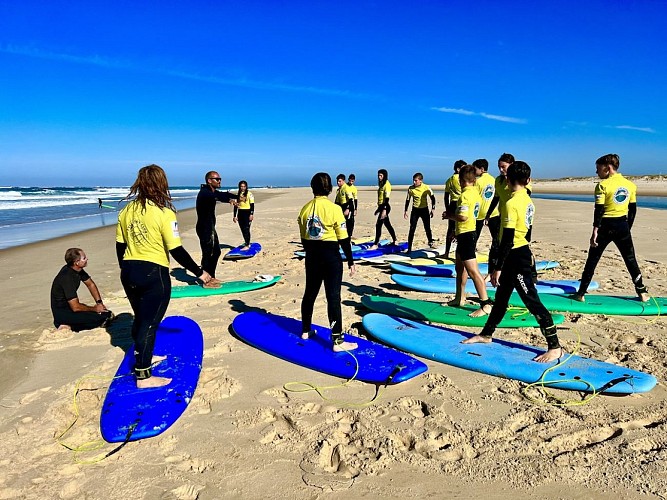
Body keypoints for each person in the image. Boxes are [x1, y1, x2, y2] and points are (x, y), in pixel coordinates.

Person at [117, 164, 213, 389]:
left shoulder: (125, 211)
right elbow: (176, 250)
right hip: (154, 273)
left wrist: (126, 269)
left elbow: (120, 247)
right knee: (149, 324)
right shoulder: (164, 212)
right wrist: (200, 272)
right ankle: (143, 376)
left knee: (140, 318)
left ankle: (145, 358)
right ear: (162, 183)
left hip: (129, 270)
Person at [463, 161, 562, 363]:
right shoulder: (527, 200)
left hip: (515, 257)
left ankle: (555, 347)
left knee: (531, 301)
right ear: (528, 180)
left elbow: (507, 238)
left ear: (508, 179)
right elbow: (527, 232)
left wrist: (497, 267)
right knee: (501, 299)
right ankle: (486, 334)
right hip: (519, 252)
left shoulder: (511, 203)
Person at [572, 154, 649, 302]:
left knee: (593, 259)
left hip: (605, 227)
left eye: (598, 168)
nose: (596, 172)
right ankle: (642, 292)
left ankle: (581, 293)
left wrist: (595, 230)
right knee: (630, 259)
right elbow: (632, 210)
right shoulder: (630, 185)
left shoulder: (602, 186)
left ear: (607, 168)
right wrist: (627, 228)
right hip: (622, 225)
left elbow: (599, 210)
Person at [297, 172, 358, 352]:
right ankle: (337, 341)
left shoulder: (304, 209)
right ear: (330, 188)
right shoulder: (335, 209)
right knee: (333, 297)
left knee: (310, 294)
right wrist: (350, 261)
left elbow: (304, 240)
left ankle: (306, 330)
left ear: (312, 187)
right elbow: (344, 239)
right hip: (331, 257)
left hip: (312, 257)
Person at [442, 165, 492, 317]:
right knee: (460, 268)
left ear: (460, 180)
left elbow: (463, 217)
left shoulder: (465, 196)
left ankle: (485, 304)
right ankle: (460, 297)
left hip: (467, 235)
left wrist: (449, 215)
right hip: (465, 233)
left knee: (473, 271)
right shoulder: (476, 193)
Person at [50, 248, 113, 332]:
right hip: (63, 313)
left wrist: (99, 303)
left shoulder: (77, 270)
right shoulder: (67, 278)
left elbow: (90, 284)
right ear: (76, 262)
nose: (87, 259)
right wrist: (95, 309)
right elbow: (76, 307)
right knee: (102, 319)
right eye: (84, 258)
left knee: (107, 313)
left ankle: (73, 323)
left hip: (71, 308)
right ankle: (66, 324)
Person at [195, 171, 238, 286]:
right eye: (217, 179)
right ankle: (206, 280)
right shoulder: (205, 192)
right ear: (209, 181)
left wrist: (238, 196)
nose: (219, 181)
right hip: (204, 228)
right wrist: (229, 200)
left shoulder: (212, 191)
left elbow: (222, 194)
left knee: (215, 252)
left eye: (220, 179)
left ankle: (210, 277)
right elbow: (216, 197)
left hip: (210, 227)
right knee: (208, 253)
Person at [404, 172, 436, 252]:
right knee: (412, 228)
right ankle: (409, 248)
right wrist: (405, 210)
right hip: (415, 210)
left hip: (424, 210)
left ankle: (431, 242)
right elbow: (408, 200)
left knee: (427, 227)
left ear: (420, 181)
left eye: (416, 180)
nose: (414, 182)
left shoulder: (426, 187)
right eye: (413, 180)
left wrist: (433, 209)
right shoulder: (410, 188)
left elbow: (433, 198)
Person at [472, 159, 500, 247]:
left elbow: (474, 198)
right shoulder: (494, 180)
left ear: (482, 169)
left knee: (474, 237)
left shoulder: (477, 181)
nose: (473, 171)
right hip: (493, 212)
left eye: (475, 169)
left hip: (480, 213)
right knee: (496, 237)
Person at [444, 160, 466, 258]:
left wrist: (448, 209)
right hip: (461, 204)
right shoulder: (461, 179)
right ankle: (461, 253)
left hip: (452, 205)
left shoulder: (449, 180)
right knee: (461, 228)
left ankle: (446, 253)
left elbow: (446, 197)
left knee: (450, 229)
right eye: (463, 168)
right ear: (458, 169)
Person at [371, 169, 398, 248]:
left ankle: (375, 244)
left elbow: (386, 199)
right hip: (381, 207)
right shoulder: (381, 184)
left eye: (381, 176)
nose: (379, 177)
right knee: (388, 225)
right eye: (378, 175)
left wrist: (384, 211)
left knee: (378, 225)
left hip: (385, 207)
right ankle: (395, 240)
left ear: (384, 176)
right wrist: (378, 210)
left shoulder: (387, 185)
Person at [233, 180, 254, 250]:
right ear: (239, 187)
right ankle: (247, 242)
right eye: (241, 186)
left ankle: (247, 245)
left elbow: (252, 205)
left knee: (246, 229)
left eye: (244, 186)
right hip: (240, 213)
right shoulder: (238, 194)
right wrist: (234, 216)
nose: (243, 188)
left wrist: (251, 214)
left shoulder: (249, 194)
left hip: (247, 212)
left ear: (246, 187)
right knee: (242, 229)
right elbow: (236, 205)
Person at [334, 174, 355, 241]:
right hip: (342, 208)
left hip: (348, 208)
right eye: (337, 181)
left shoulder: (346, 188)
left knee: (349, 225)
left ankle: (348, 240)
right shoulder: (339, 190)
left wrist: (348, 209)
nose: (338, 183)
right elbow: (337, 202)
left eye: (339, 181)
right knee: (341, 225)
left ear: (343, 181)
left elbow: (351, 200)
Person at [347, 174, 358, 238]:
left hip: (351, 207)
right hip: (345, 206)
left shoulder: (354, 188)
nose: (351, 182)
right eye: (350, 181)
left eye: (352, 181)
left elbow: (355, 199)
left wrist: (355, 209)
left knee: (351, 221)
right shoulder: (345, 186)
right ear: (348, 180)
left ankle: (350, 236)